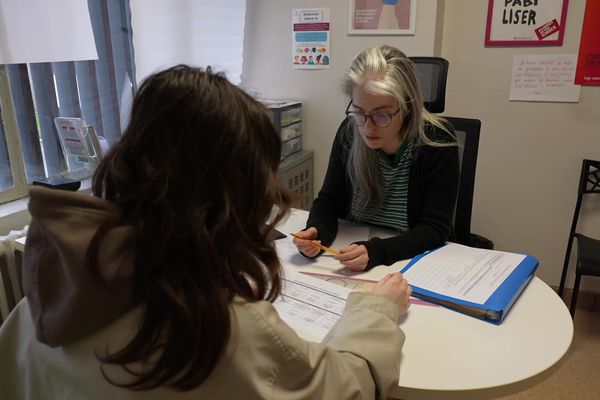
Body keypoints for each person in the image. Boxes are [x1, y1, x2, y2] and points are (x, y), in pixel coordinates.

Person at [0, 65, 412, 399]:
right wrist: (376, 308)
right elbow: (349, 384)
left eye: (381, 114)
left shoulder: (39, 304)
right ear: (234, 198)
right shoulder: (222, 330)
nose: (368, 124)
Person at [294, 45, 459, 271]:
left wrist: (377, 251)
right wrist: (317, 233)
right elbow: (327, 202)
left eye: (382, 114)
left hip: (405, 260)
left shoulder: (437, 142)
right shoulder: (349, 132)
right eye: (360, 112)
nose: (368, 127)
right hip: (348, 251)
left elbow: (434, 228)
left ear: (408, 106)